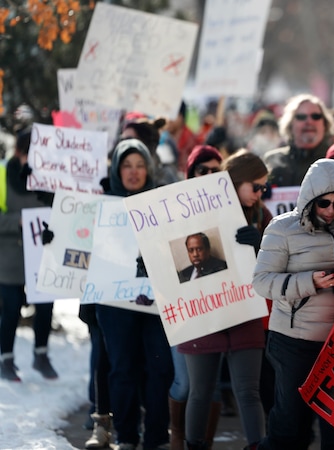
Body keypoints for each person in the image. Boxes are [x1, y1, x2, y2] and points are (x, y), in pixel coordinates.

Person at [253, 158, 334, 450]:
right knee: (290, 427)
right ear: (310, 199)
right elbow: (261, 282)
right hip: (294, 341)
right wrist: (310, 281)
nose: (331, 210)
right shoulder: (282, 228)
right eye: (324, 203)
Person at [178, 149, 271, 450]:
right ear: (236, 181)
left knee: (248, 390)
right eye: (255, 186)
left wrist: (262, 246)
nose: (260, 193)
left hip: (245, 311)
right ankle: (194, 445)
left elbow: (278, 262)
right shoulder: (195, 213)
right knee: (200, 390)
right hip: (204, 313)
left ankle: (257, 444)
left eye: (264, 187)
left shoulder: (263, 216)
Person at [95, 139, 174, 450]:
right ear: (116, 169)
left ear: (149, 168)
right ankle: (126, 436)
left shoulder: (162, 203)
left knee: (160, 367)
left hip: (157, 299)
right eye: (127, 165)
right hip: (114, 301)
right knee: (123, 368)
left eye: (140, 165)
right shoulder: (101, 205)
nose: (134, 172)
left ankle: (156, 437)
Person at [167, 144, 224, 450]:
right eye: (203, 170)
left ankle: (203, 444)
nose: (210, 176)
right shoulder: (171, 212)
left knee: (210, 385)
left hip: (221, 310)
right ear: (191, 174)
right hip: (184, 310)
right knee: (185, 382)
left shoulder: (232, 211)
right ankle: (178, 436)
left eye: (216, 170)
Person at [0, 128, 58, 382]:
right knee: (11, 309)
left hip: (41, 257)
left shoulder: (50, 179)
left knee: (46, 306)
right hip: (10, 260)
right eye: (29, 155)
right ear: (18, 153)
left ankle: (41, 355)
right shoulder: (3, 176)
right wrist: (19, 222)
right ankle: (6, 359)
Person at [263, 94, 334, 187]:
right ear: (290, 124)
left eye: (315, 116)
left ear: (325, 124)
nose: (309, 121)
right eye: (301, 116)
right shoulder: (272, 160)